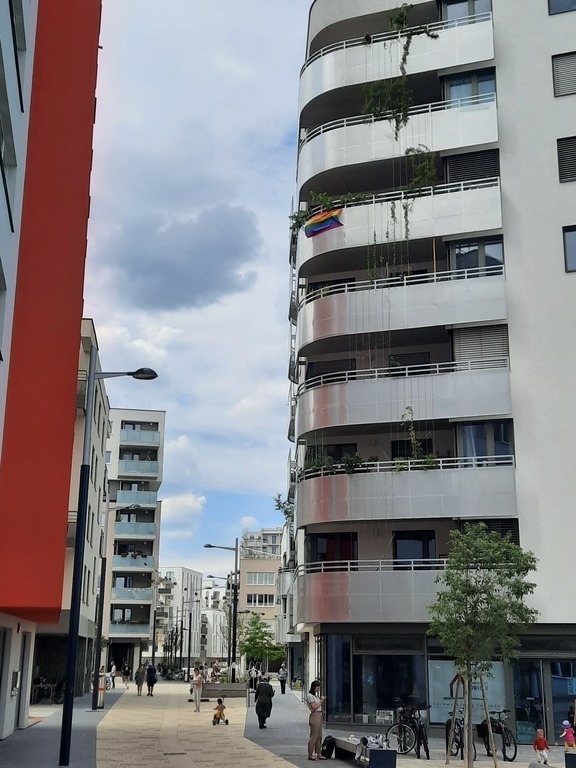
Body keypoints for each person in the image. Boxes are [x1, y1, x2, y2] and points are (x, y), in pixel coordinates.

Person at [307, 680, 326, 761]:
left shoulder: (315, 696)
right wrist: (321, 701)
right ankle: (310, 754)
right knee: (314, 736)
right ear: (314, 687)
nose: (318, 689)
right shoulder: (310, 696)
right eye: (317, 687)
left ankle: (319, 753)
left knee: (319, 736)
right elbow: (314, 708)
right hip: (315, 715)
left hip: (319, 715)